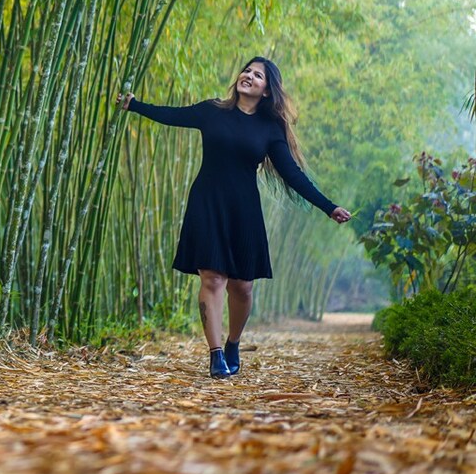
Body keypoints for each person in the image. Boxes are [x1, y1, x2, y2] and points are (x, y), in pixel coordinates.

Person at [117, 57, 351, 379]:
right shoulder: (213, 110)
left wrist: (329, 206)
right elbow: (172, 114)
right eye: (246, 71)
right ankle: (215, 355)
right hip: (207, 202)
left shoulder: (270, 129)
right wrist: (135, 105)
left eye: (258, 76)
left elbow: (292, 175)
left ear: (267, 91)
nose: (249, 77)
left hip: (244, 209)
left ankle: (232, 343)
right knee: (212, 279)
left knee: (242, 287)